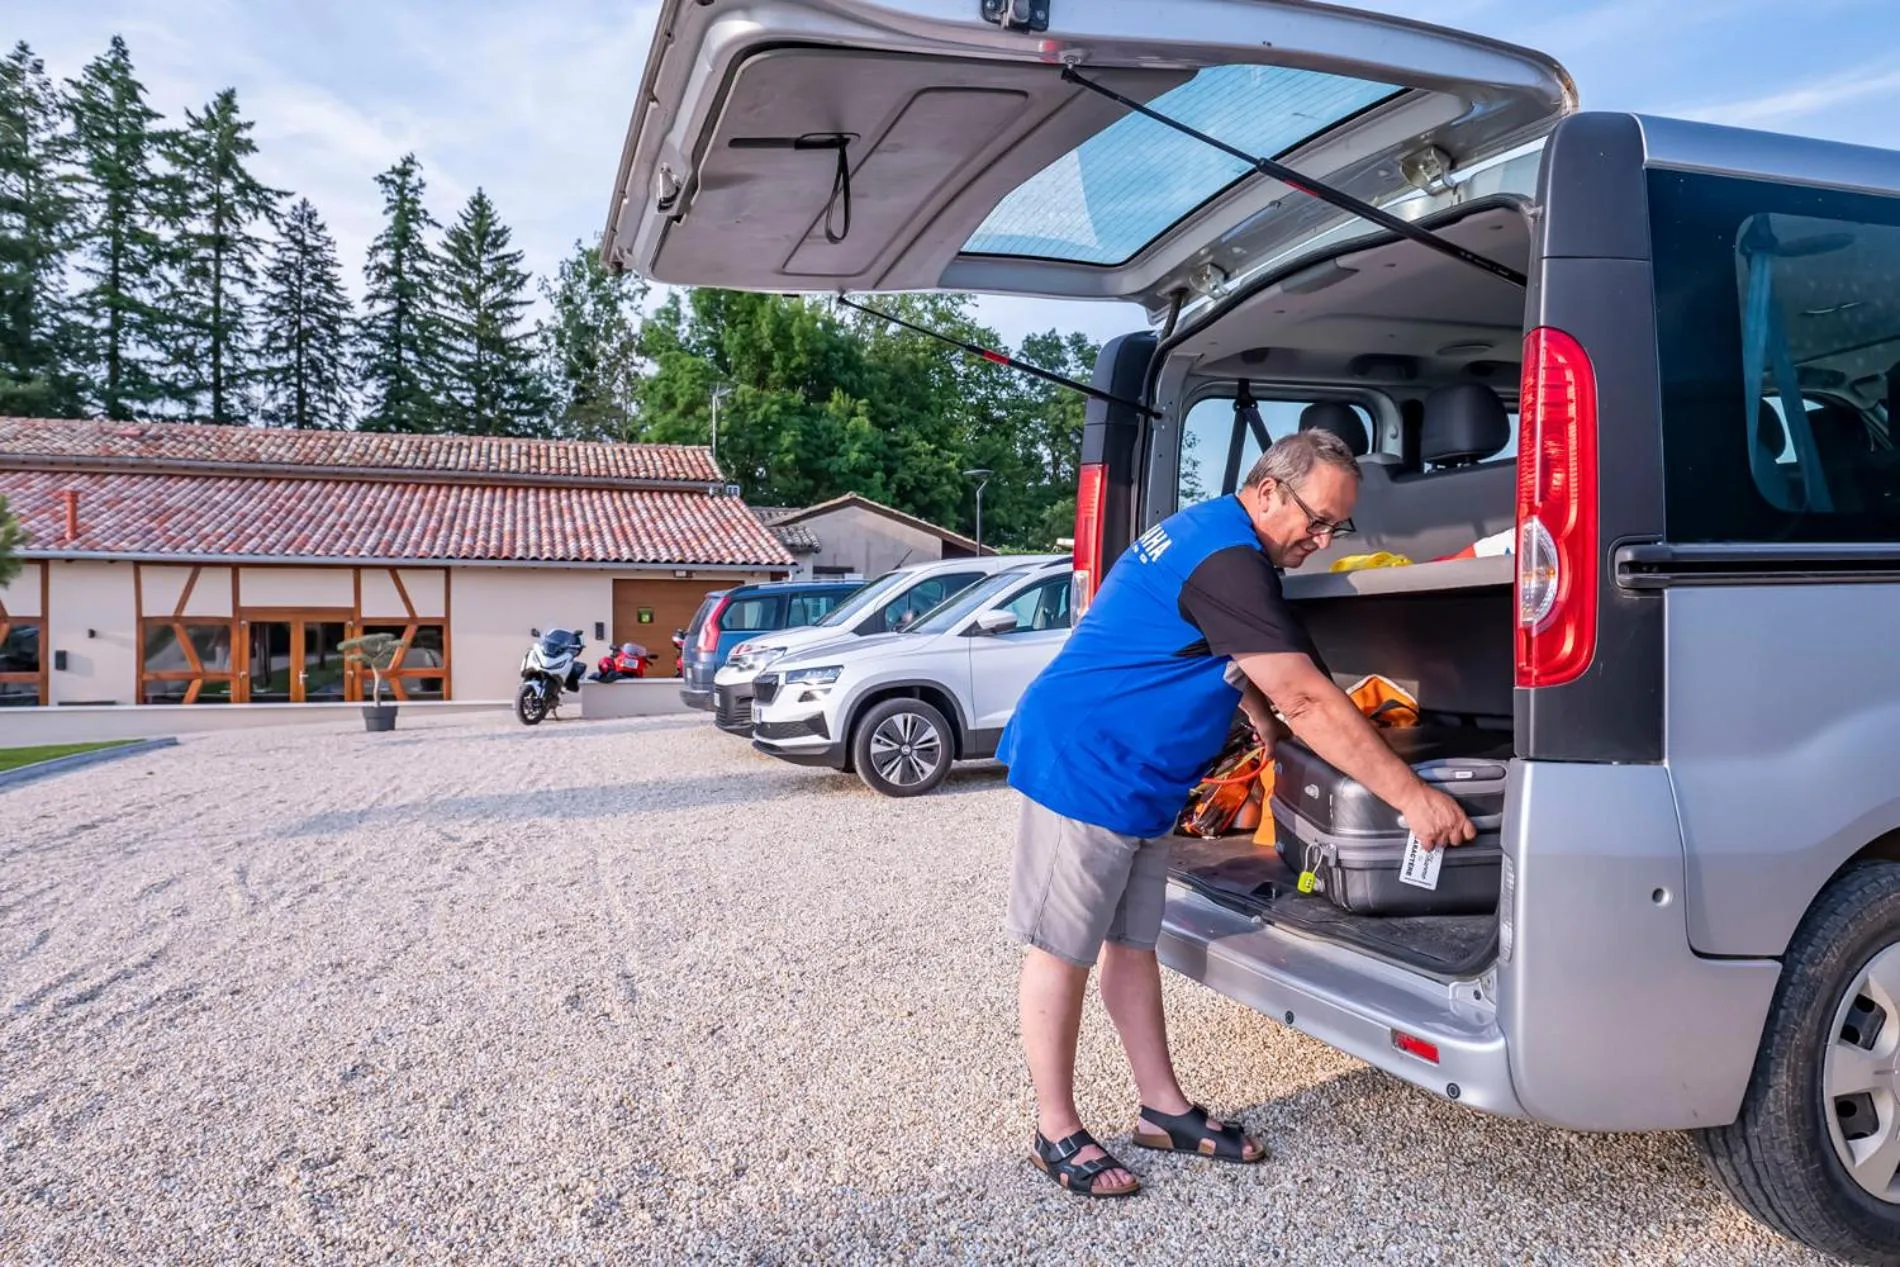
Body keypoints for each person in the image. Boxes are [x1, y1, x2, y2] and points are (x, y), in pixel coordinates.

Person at [996, 429, 1476, 1198]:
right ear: (1268, 491)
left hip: (1142, 775)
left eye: (1335, 529)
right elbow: (1307, 694)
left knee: (1130, 941)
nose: (1320, 543)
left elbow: (1213, 646)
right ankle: (1055, 1126)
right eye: (1316, 521)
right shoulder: (1232, 559)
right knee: (1063, 948)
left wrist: (1257, 712)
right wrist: (1412, 797)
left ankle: (1162, 1108)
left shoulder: (1218, 535)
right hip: (1084, 761)